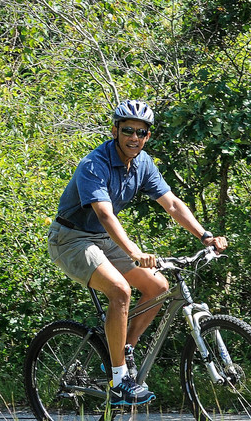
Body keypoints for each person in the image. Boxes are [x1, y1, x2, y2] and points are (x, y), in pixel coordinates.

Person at [47, 100, 228, 405]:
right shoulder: (94, 164)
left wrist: (205, 236)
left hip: (103, 239)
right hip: (71, 238)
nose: (134, 137)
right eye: (128, 130)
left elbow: (171, 204)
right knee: (120, 291)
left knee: (157, 286)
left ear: (147, 136)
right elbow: (105, 214)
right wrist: (134, 251)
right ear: (115, 130)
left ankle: (122, 353)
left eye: (141, 132)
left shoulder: (143, 163)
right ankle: (119, 381)